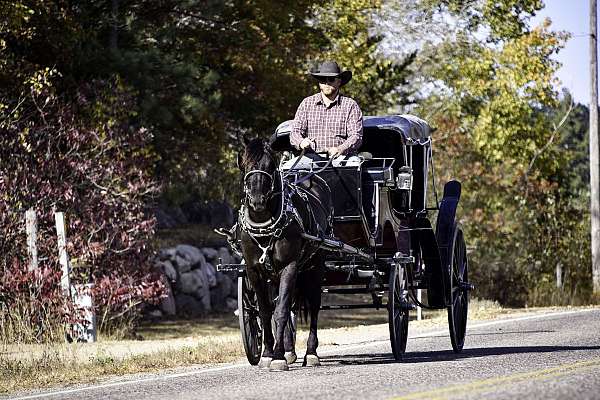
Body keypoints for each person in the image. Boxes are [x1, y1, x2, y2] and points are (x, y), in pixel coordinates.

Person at [284, 60, 363, 169]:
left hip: (342, 157)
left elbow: (356, 136)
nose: (326, 83)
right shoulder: (306, 103)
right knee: (287, 168)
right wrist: (301, 142)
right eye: (322, 79)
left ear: (339, 81)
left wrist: (341, 149)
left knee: (354, 164)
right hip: (311, 157)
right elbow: (295, 132)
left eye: (331, 79)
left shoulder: (350, 105)